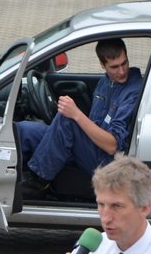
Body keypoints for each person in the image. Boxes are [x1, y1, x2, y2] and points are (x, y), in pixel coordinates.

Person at [18, 38, 143, 198]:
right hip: (91, 147)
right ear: (102, 65)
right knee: (24, 130)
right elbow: (92, 125)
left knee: (67, 119)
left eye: (124, 63)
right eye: (114, 67)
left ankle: (38, 181)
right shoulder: (104, 83)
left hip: (108, 162)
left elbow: (112, 146)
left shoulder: (133, 91)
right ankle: (12, 176)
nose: (121, 71)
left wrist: (75, 114)